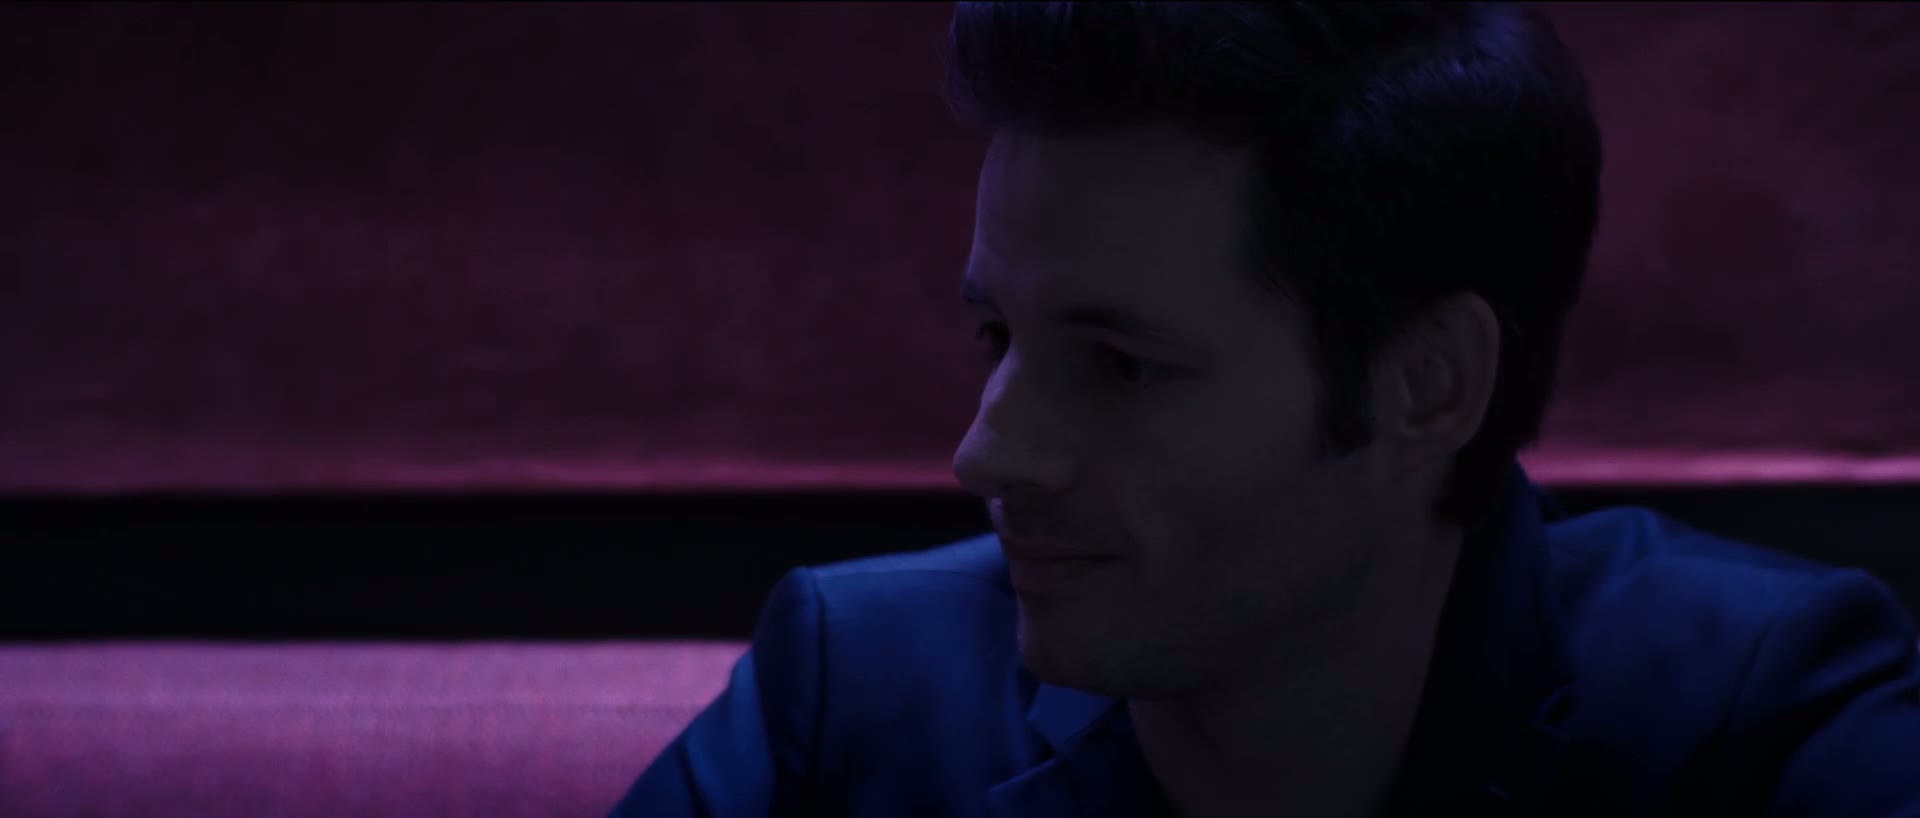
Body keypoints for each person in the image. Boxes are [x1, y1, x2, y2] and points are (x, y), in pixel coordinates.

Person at [614, 3, 1920, 816]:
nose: (987, 450)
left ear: (1428, 384)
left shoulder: (1761, 714)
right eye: (997, 336)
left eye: (1121, 364)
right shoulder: (855, 684)